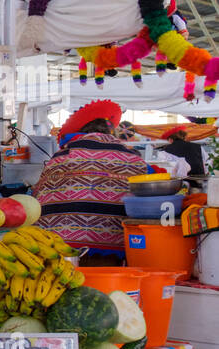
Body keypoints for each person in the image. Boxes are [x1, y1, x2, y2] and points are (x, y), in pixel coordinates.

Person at [32, 99, 152, 258]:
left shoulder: (60, 157)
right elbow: (152, 196)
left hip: (59, 248)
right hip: (119, 250)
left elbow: (37, 197)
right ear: (112, 132)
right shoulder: (135, 160)